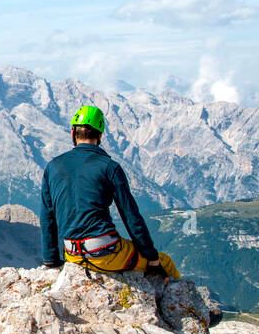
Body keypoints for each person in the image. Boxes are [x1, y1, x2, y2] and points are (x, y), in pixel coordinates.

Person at [40, 105, 182, 281]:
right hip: (105, 252)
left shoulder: (52, 166)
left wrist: (51, 260)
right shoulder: (109, 167)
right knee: (165, 261)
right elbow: (131, 217)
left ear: (73, 134)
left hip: (72, 254)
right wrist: (152, 258)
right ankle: (181, 300)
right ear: (100, 136)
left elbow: (47, 216)